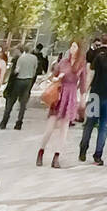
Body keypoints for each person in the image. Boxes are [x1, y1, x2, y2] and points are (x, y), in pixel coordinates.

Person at [37, 40, 87, 168]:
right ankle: (41, 151)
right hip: (59, 94)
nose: (72, 48)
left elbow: (83, 83)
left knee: (64, 128)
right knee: (50, 128)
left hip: (70, 96)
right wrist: (57, 78)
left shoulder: (81, 65)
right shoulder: (63, 62)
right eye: (71, 46)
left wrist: (82, 99)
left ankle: (56, 156)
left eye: (75, 46)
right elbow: (52, 77)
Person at [79, 33, 107, 165]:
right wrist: (84, 93)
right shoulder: (99, 56)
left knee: (104, 127)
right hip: (95, 95)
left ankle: (98, 154)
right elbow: (91, 75)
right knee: (89, 124)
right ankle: (83, 147)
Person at [0, 43, 39, 130]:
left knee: (11, 100)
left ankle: (4, 121)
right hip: (28, 80)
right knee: (23, 103)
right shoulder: (34, 58)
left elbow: (17, 70)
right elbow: (34, 70)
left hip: (19, 80)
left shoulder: (21, 58)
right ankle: (19, 122)